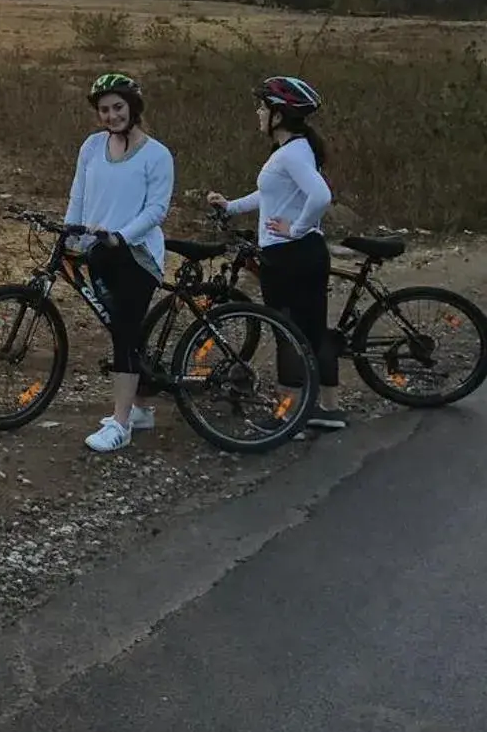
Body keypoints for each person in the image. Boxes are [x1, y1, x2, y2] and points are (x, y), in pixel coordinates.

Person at [206, 75, 344, 433]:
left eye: (262, 107)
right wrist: (230, 206)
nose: (257, 112)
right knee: (312, 331)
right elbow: (269, 197)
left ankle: (288, 416)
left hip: (290, 255)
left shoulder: (293, 153)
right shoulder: (293, 151)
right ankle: (327, 408)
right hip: (301, 253)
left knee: (287, 333)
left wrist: (296, 228)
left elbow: (321, 197)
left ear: (278, 115)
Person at [63, 74, 175, 454]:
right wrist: (70, 236)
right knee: (123, 331)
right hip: (100, 252)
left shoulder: (157, 155)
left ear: (133, 108)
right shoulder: (93, 147)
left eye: (118, 108)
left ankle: (121, 424)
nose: (111, 116)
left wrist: (122, 236)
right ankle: (140, 409)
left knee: (124, 334)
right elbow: (79, 192)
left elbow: (157, 209)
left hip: (137, 256)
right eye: (105, 110)